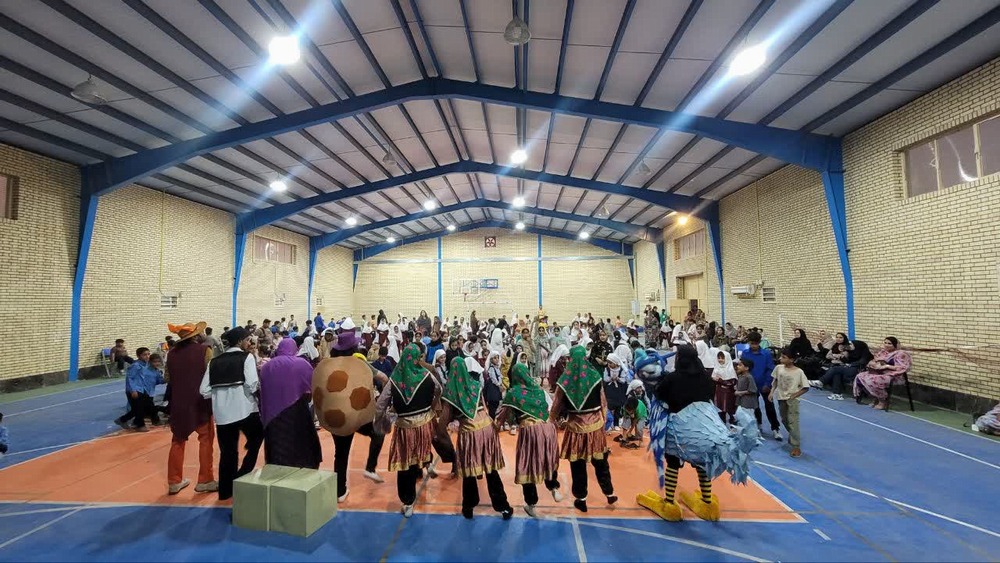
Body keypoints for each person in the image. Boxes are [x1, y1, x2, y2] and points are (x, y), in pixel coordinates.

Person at [637, 345, 759, 522]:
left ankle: (669, 504)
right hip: (705, 430)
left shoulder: (673, 378)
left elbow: (661, 395)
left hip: (680, 430)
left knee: (673, 464)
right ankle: (707, 503)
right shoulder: (706, 378)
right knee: (703, 463)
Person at [439, 357, 514, 520]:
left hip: (470, 432)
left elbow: (443, 420)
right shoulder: (474, 385)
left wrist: (443, 430)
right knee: (491, 470)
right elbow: (483, 407)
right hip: (487, 428)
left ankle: (469, 507)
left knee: (469, 471)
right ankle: (503, 507)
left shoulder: (450, 391)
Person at [550, 346, 617, 513]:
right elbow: (603, 402)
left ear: (571, 358)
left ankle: (581, 499)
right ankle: (609, 492)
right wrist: (603, 421)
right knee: (600, 461)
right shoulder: (595, 376)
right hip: (595, 428)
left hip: (576, 429)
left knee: (578, 465)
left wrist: (551, 420)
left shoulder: (565, 380)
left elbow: (556, 404)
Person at [326, 327, 390, 501]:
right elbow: (384, 378)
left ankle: (339, 492)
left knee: (340, 453)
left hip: (336, 415)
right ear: (353, 348)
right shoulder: (359, 363)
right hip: (357, 414)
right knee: (378, 432)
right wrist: (382, 401)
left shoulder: (329, 364)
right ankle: (370, 467)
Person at [200, 326, 263, 501]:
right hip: (245, 410)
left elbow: (203, 390)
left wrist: (221, 394)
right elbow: (252, 384)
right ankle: (243, 473)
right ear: (241, 341)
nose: (249, 343)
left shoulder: (214, 362)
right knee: (258, 436)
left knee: (227, 453)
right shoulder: (246, 357)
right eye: (247, 340)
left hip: (222, 416)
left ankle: (225, 491)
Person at [495, 363, 563, 517]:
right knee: (547, 458)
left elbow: (502, 415)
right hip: (548, 429)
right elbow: (551, 408)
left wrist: (494, 427)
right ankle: (554, 488)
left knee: (528, 464)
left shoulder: (513, 392)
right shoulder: (539, 390)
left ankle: (531, 503)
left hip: (531, 430)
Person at [383, 344, 438, 518]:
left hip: (404, 428)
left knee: (404, 461)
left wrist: (381, 423)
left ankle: (408, 502)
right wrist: (431, 407)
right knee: (418, 456)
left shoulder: (394, 380)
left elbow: (381, 403)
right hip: (423, 425)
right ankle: (422, 468)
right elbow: (439, 389)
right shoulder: (427, 375)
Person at [163, 322, 217, 495]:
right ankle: (205, 480)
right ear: (196, 336)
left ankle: (174, 481)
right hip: (200, 402)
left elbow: (167, 378)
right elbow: (212, 375)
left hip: (178, 403)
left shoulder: (171, 354)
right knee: (206, 440)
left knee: (177, 441)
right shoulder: (205, 350)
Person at [259, 338, 322, 469]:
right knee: (299, 441)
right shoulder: (302, 364)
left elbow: (262, 391)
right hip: (297, 410)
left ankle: (277, 469)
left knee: (278, 443)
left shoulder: (266, 367)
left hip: (272, 413)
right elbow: (310, 390)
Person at [770, 348, 809, 457]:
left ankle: (796, 446)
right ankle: (792, 435)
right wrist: (772, 392)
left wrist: (794, 395)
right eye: (781, 356)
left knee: (793, 422)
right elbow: (775, 381)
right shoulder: (778, 368)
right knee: (784, 420)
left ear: (792, 359)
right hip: (781, 398)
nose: (780, 359)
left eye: (784, 357)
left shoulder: (799, 372)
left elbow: (805, 387)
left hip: (792, 400)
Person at [853, 337, 911, 410]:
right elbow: (874, 361)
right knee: (860, 376)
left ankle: (882, 400)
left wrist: (887, 366)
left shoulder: (902, 354)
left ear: (896, 344)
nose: (886, 345)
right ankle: (876, 397)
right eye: (885, 343)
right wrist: (873, 365)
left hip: (894, 376)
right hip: (880, 373)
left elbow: (903, 367)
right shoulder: (882, 352)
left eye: (889, 343)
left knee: (872, 380)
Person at [742, 332, 781, 440]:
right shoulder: (745, 354)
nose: (753, 346)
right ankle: (758, 425)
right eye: (751, 343)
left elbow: (770, 369)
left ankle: (775, 428)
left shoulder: (766, 354)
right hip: (751, 385)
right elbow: (744, 369)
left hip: (764, 384)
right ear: (748, 342)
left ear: (759, 342)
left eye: (755, 343)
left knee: (769, 406)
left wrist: (767, 384)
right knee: (755, 406)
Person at [115, 347, 161, 432]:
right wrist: (133, 390)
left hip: (143, 390)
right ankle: (139, 425)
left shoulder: (147, 366)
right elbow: (130, 378)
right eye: (144, 355)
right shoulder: (135, 366)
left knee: (139, 408)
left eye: (148, 354)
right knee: (139, 408)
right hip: (135, 390)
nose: (147, 356)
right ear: (139, 356)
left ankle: (122, 420)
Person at [816, 332, 855, 400]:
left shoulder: (847, 347)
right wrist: (837, 356)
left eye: (840, 337)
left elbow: (845, 359)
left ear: (844, 338)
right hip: (833, 364)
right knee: (836, 372)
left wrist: (835, 356)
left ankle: (822, 382)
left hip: (843, 366)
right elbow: (828, 356)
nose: (838, 339)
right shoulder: (835, 346)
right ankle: (837, 394)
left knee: (836, 371)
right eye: (837, 337)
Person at [712, 349, 738, 424]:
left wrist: (720, 380)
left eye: (722, 358)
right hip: (719, 393)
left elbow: (731, 382)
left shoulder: (730, 369)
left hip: (728, 394)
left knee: (730, 411)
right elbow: (713, 378)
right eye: (719, 358)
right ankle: (723, 426)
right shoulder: (716, 368)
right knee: (720, 411)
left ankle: (733, 426)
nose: (720, 360)